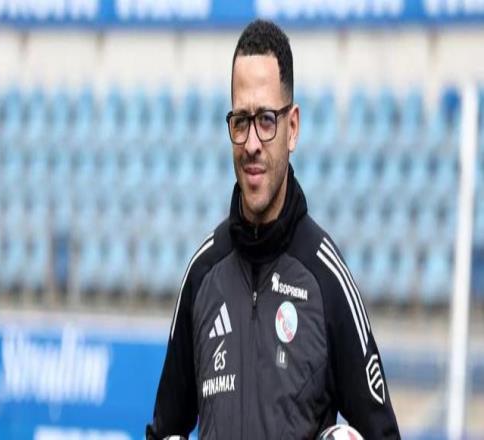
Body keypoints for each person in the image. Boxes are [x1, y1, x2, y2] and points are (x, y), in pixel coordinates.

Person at [146, 19, 400, 439]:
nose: (251, 143)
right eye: (240, 121)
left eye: (266, 120)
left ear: (292, 128)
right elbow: (163, 431)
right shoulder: (203, 274)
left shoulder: (326, 279)